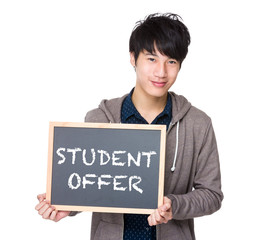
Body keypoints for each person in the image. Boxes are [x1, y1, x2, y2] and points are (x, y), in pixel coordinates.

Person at [35, 13, 223, 240]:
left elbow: (212, 194)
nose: (161, 72)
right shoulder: (100, 119)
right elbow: (93, 185)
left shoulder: (197, 124)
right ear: (133, 58)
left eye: (171, 61)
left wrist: (174, 205)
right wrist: (68, 205)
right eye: (151, 59)